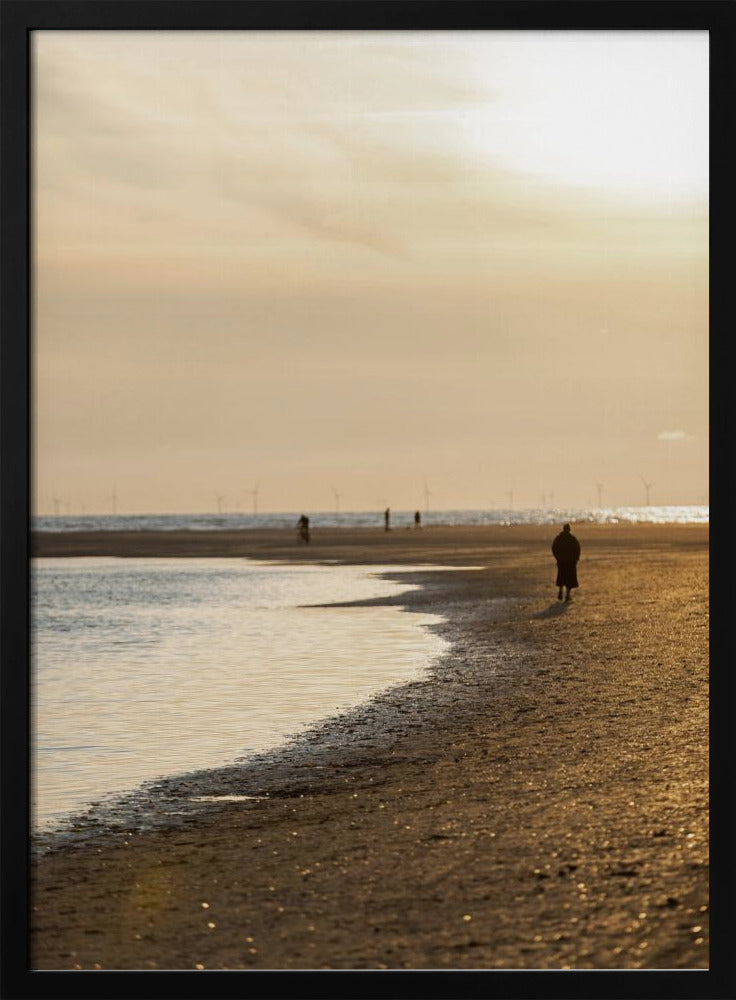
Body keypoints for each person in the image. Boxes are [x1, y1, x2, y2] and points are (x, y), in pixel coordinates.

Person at [551, 523, 580, 601]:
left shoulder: (559, 539)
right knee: (569, 579)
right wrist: (576, 559)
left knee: (561, 577)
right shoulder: (572, 539)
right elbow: (577, 549)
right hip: (570, 562)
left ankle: (560, 592)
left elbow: (554, 548)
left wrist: (557, 557)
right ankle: (567, 595)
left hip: (561, 562)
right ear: (569, 530)